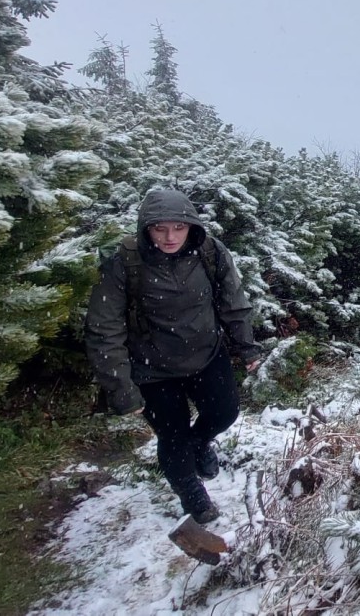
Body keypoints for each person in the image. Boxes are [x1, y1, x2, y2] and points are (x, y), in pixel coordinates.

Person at [85, 188, 261, 524]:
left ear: (191, 226)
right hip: (152, 368)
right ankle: (193, 497)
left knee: (224, 413)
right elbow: (104, 329)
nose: (170, 237)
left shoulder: (210, 251)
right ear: (146, 228)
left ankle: (200, 442)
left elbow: (233, 302)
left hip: (206, 353)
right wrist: (122, 388)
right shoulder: (124, 261)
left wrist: (246, 347)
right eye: (160, 228)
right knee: (172, 434)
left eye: (178, 228)